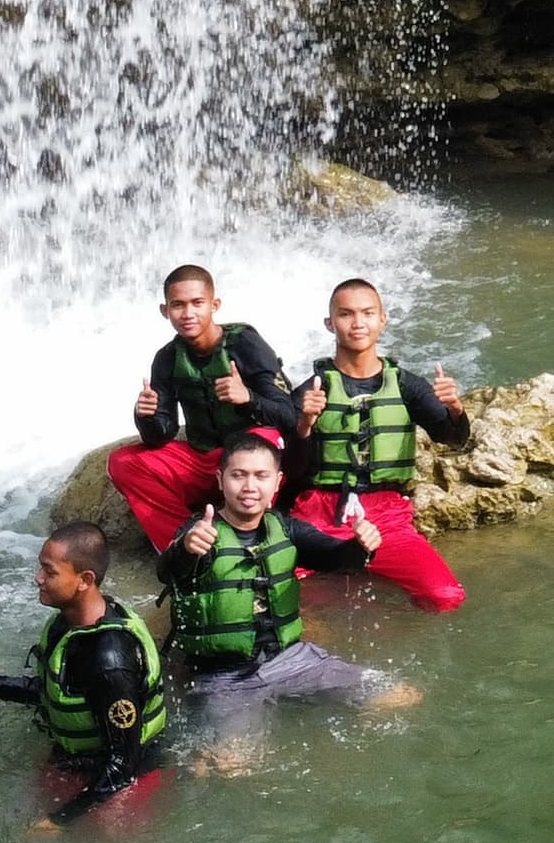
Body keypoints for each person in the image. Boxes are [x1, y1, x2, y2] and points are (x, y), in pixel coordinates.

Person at [157, 437, 420, 710]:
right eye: (238, 475)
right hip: (224, 677)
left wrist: (360, 547)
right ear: (221, 480)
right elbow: (167, 572)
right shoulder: (199, 533)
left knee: (401, 695)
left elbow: (335, 557)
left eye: (261, 476)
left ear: (277, 481)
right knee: (231, 755)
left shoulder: (285, 528)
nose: (250, 487)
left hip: (291, 660)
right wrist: (186, 549)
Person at [0, 522, 171, 828]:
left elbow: (123, 764)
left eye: (49, 572)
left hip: (127, 778)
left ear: (84, 580)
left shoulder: (109, 660)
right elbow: (57, 690)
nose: (38, 578)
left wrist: (59, 820)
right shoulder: (66, 624)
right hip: (76, 760)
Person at [286, 277, 473, 612]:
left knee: (445, 597)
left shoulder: (407, 386)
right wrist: (303, 426)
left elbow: (454, 439)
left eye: (368, 313)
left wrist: (456, 409)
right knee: (282, 596)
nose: (358, 323)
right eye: (346, 314)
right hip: (319, 513)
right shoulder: (312, 391)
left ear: (382, 320)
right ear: (330, 324)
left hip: (387, 514)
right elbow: (289, 469)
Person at [108, 263, 307, 549]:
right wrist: (146, 416)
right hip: (204, 461)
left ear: (214, 304)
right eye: (178, 305)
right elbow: (161, 435)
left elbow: (289, 416)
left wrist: (247, 397)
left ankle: (254, 542)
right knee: (123, 462)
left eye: (197, 303)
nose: (188, 313)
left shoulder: (245, 344)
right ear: (165, 311)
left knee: (263, 444)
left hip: (247, 458)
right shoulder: (166, 358)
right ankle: (183, 544)